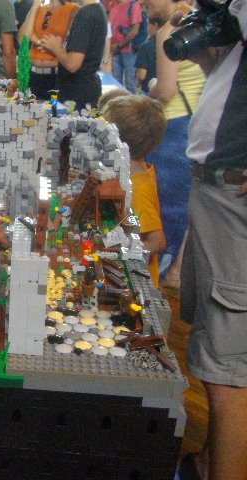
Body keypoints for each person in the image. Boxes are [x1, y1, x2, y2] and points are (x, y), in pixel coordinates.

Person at [177, 0, 247, 478]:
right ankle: (207, 462)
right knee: (214, 351)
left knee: (228, 376)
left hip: (231, 198)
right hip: (215, 192)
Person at [138, 0, 206, 285]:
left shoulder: (170, 30)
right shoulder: (201, 23)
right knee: (181, 210)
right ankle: (172, 272)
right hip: (193, 126)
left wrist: (152, 84)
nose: (142, 2)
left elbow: (166, 91)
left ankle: (156, 278)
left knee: (161, 211)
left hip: (171, 132)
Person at [101, 94, 166, 287]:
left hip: (134, 280)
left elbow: (157, 242)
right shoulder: (136, 170)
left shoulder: (136, 188)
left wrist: (121, 255)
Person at [38, 0, 108, 112]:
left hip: (77, 96)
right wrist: (55, 50)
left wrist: (56, 48)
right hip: (83, 92)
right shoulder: (97, 9)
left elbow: (72, 65)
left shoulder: (86, 14)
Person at [17, 0, 79, 100]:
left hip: (55, 75)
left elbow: (69, 44)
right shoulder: (39, 8)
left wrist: (35, 37)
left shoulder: (73, 10)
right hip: (32, 73)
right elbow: (22, 39)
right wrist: (34, 7)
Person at [110, 0, 144, 92]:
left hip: (129, 50)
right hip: (115, 49)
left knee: (130, 82)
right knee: (115, 82)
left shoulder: (133, 5)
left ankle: (131, 101)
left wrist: (119, 45)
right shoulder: (112, 4)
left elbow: (135, 30)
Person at [134, 16, 165, 94]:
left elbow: (141, 75)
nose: (147, 29)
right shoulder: (170, 46)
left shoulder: (145, 47)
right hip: (164, 90)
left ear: (155, 25)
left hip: (148, 91)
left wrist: (138, 80)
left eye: (148, 25)